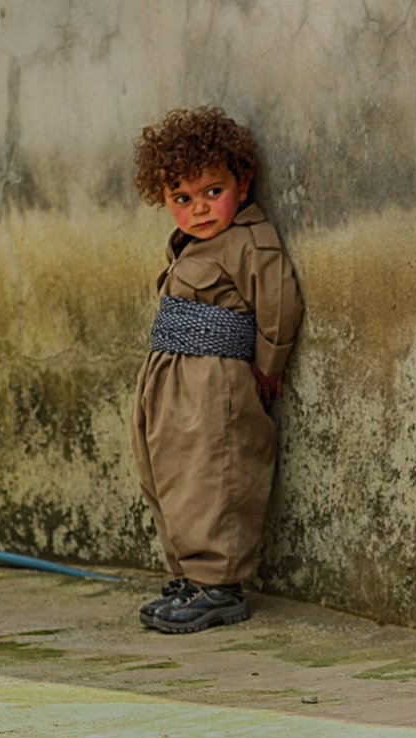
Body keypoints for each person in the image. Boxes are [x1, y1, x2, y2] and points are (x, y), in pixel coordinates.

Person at [130, 106, 304, 634]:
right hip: (170, 377)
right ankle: (188, 576)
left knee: (214, 472)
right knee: (166, 471)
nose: (199, 209)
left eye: (212, 192)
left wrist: (268, 365)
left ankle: (220, 585)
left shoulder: (252, 241)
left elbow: (280, 305)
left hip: (215, 381)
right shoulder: (195, 243)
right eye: (182, 198)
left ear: (242, 182)